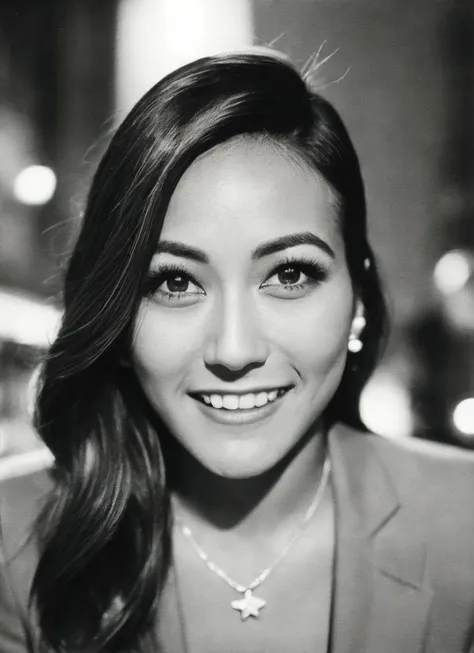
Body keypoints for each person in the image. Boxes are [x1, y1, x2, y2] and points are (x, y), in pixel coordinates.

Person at [1, 48, 474, 653]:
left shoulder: (464, 525)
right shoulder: (12, 543)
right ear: (116, 317)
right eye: (175, 282)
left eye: (290, 274)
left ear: (356, 295)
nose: (235, 349)